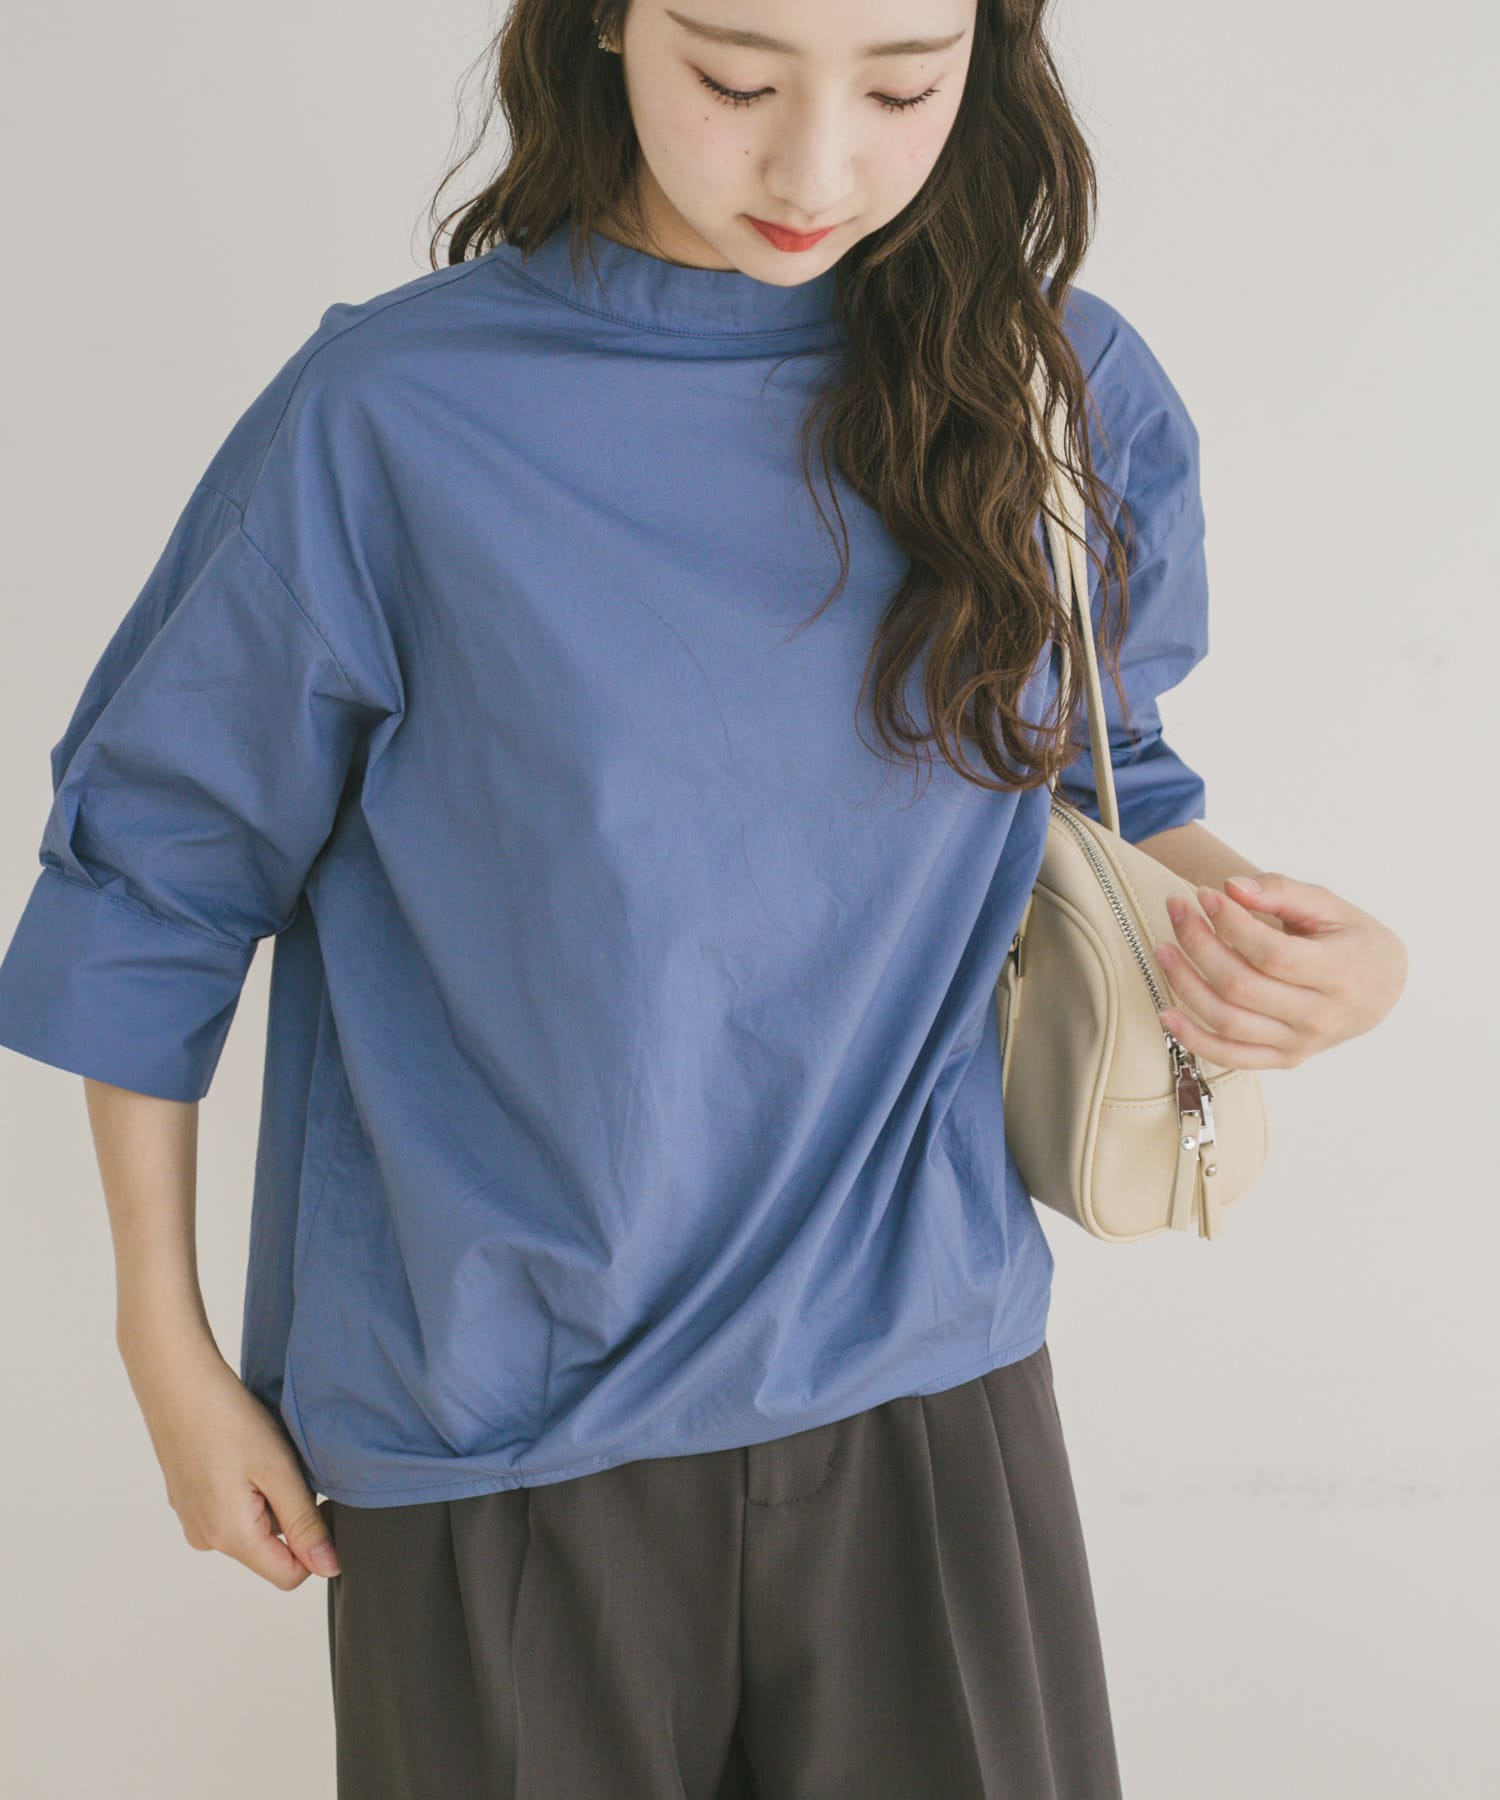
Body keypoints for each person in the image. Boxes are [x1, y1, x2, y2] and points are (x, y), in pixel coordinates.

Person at [0, 2, 1407, 1795]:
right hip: (499, 1426)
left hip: (927, 1390)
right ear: (606, 20)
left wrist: (1317, 953)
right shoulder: (393, 418)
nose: (817, 164)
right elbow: (156, 884)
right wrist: (164, 1345)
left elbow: (1105, 776)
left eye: (903, 85)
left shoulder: (1049, 385)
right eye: (737, 78)